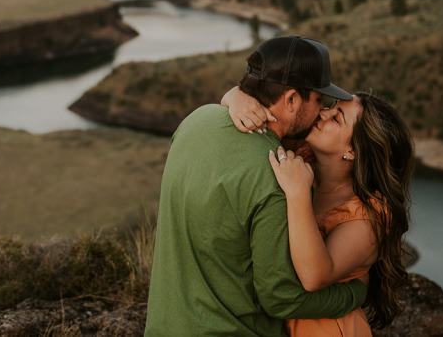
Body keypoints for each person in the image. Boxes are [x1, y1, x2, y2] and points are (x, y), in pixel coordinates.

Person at [145, 35, 365, 337]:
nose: (320, 112)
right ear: (291, 100)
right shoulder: (278, 176)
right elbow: (281, 298)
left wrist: (233, 95)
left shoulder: (195, 121)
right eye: (318, 100)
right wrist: (356, 292)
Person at [223, 88, 414, 336]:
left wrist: (298, 194)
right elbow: (254, 109)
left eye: (337, 118)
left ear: (353, 151)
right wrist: (235, 97)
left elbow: (314, 276)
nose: (323, 113)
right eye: (331, 106)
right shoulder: (303, 155)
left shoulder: (367, 217)